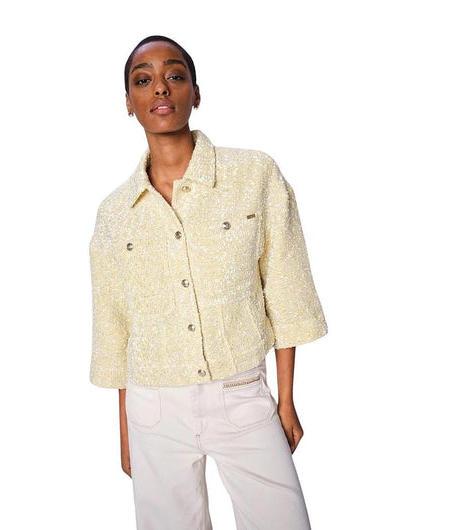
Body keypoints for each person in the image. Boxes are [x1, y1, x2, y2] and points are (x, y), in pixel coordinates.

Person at [89, 34, 328, 530]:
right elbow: (115, 326)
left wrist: (285, 401)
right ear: (128, 102)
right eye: (143, 80)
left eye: (175, 76)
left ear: (195, 93)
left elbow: (285, 288)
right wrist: (126, 428)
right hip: (153, 407)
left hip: (241, 393)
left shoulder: (254, 175)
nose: (160, 88)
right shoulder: (114, 213)